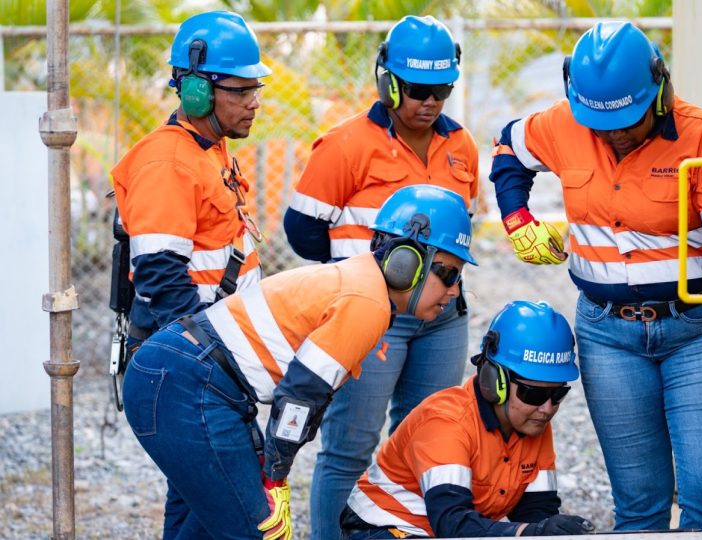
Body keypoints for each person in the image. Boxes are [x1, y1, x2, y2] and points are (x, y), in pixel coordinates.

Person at [489, 21, 702, 531]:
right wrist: (517, 220)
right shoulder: (564, 125)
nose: (616, 134)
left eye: (628, 120)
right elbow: (509, 147)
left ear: (660, 91)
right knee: (639, 501)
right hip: (608, 337)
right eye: (601, 124)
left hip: (695, 332)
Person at [121, 184, 477, 539]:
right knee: (261, 531)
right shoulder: (367, 302)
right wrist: (275, 478)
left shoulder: (362, 284)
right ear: (406, 263)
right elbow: (301, 396)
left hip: (187, 378)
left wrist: (274, 467)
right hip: (189, 384)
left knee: (208, 529)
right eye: (448, 273)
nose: (454, 290)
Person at [282, 15, 479, 539]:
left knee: (427, 444)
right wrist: (367, 276)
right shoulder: (344, 145)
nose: (430, 102)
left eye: (441, 91)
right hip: (372, 320)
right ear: (388, 82)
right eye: (417, 90)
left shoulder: (462, 146)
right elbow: (303, 231)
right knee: (349, 448)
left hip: (442, 320)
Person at [340, 300, 595, 539]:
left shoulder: (532, 421)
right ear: (495, 381)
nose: (547, 408)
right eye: (534, 394)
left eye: (557, 394)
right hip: (384, 527)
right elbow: (452, 524)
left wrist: (550, 530)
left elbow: (536, 512)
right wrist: (528, 533)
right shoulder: (446, 423)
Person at [112, 10, 270, 352]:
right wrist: (204, 352)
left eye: (255, 89)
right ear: (198, 91)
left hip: (216, 337)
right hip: (188, 351)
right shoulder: (167, 163)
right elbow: (161, 275)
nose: (254, 103)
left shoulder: (207, 148)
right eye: (241, 92)